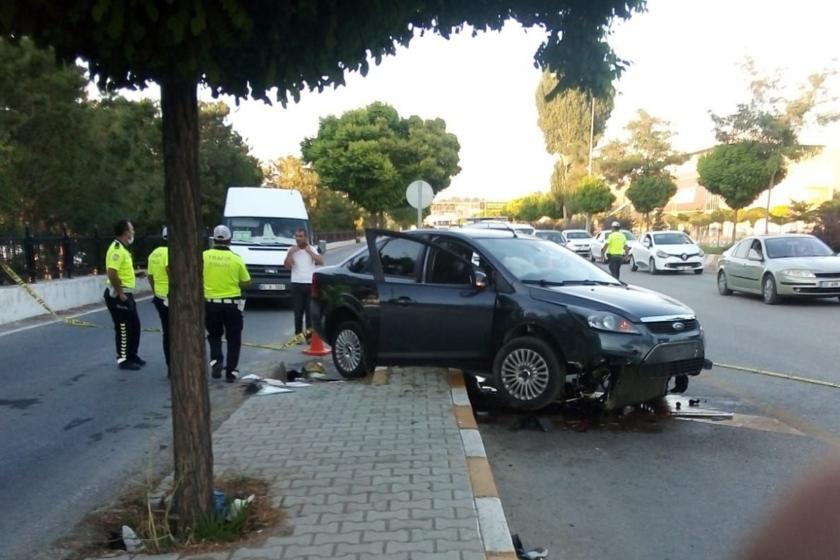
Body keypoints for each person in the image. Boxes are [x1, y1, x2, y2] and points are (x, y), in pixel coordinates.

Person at [204, 225, 251, 383]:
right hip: (232, 305)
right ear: (229, 240)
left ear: (214, 239)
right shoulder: (236, 259)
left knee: (214, 336)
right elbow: (246, 282)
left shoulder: (204, 256)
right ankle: (231, 372)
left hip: (210, 304)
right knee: (234, 339)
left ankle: (216, 361)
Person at [104, 219, 144, 370]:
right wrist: (120, 292)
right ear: (125, 232)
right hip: (118, 295)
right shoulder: (116, 249)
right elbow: (112, 272)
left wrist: (137, 274)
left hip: (127, 293)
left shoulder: (123, 249)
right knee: (123, 328)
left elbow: (122, 271)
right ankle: (123, 359)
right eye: (131, 229)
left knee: (135, 326)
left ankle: (132, 355)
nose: (133, 232)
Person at [283, 228, 324, 342]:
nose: (298, 238)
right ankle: (298, 336)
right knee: (298, 311)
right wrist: (291, 253)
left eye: (300, 236)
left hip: (309, 283)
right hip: (296, 283)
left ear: (305, 237)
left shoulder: (312, 249)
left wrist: (309, 252)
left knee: (309, 312)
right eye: (296, 236)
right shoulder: (291, 250)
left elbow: (321, 261)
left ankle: (309, 337)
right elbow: (287, 266)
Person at [147, 226, 170, 376]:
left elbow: (150, 276)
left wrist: (155, 292)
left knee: (167, 333)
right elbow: (170, 269)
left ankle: (170, 365)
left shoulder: (154, 253)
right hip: (172, 297)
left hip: (159, 297)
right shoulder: (170, 252)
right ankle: (178, 364)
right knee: (177, 334)